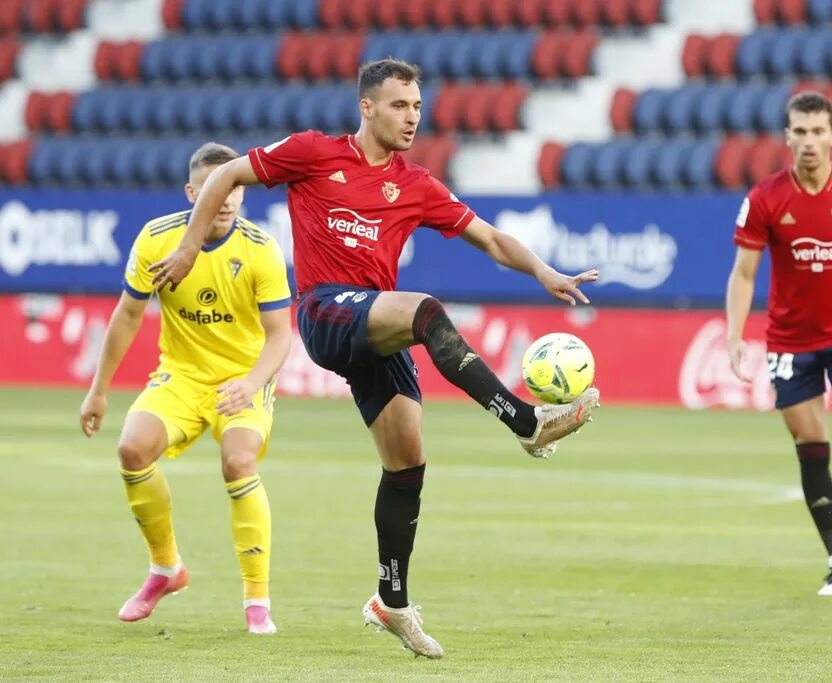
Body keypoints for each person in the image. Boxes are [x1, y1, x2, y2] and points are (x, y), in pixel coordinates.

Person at [148, 59, 600, 658]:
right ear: (367, 107)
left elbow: (490, 238)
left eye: (416, 106)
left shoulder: (415, 185)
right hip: (325, 311)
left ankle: (392, 600)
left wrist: (543, 270)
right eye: (398, 106)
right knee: (426, 312)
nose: (412, 117)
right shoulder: (312, 153)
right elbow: (225, 173)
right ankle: (527, 423)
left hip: (373, 326)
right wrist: (187, 247)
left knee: (407, 462)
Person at [79, 143, 293, 634]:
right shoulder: (158, 239)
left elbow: (281, 334)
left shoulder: (260, 249)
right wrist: (98, 390)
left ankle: (256, 600)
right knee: (131, 449)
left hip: (243, 378)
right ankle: (166, 568)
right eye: (214, 188)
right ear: (192, 192)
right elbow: (128, 314)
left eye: (235, 186)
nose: (226, 198)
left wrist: (253, 383)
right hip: (182, 374)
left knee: (238, 460)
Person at [725, 92, 832, 597]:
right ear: (787, 137)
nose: (808, 141)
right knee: (811, 448)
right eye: (799, 132)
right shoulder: (765, 198)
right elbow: (743, 273)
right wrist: (734, 334)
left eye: (817, 131)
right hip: (790, 341)